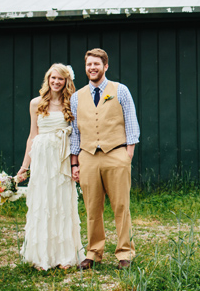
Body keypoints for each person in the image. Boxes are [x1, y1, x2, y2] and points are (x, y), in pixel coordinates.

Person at [70, 48, 140, 270]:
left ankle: (124, 253)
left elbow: (131, 123)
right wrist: (75, 162)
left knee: (121, 206)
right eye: (89, 64)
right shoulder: (76, 97)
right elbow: (75, 132)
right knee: (92, 207)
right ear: (86, 67)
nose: (92, 68)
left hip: (116, 154)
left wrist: (127, 154)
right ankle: (93, 252)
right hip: (88, 157)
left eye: (97, 64)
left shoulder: (120, 90)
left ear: (105, 66)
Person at [16, 63, 85, 270]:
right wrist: (24, 167)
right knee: (43, 204)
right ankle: (41, 256)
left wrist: (76, 164)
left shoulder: (72, 103)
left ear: (66, 81)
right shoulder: (35, 103)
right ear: (48, 79)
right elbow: (31, 136)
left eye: (60, 79)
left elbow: (77, 137)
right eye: (53, 78)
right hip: (42, 159)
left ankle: (65, 256)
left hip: (62, 159)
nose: (56, 82)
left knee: (62, 205)